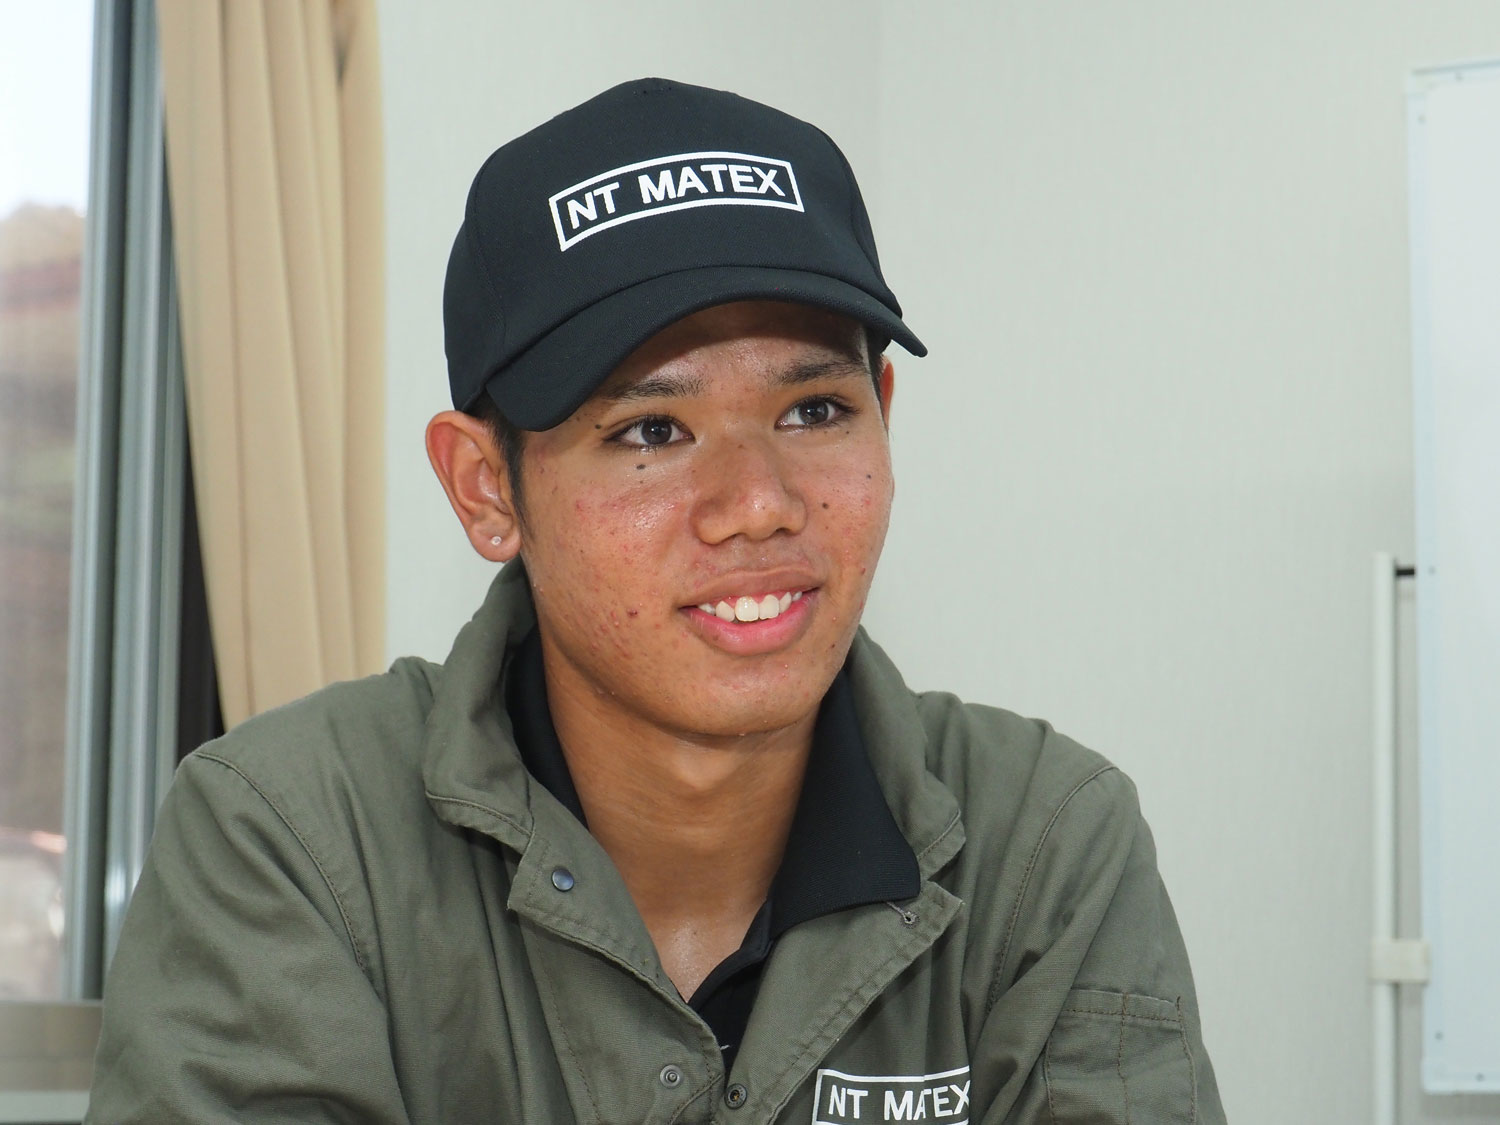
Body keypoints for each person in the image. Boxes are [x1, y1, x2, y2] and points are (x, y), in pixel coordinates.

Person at [89, 77, 1224, 1123]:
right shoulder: (294, 838)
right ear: (487, 488)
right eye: (651, 431)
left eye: (816, 412)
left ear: (886, 410)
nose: (758, 504)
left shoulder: (1040, 846)